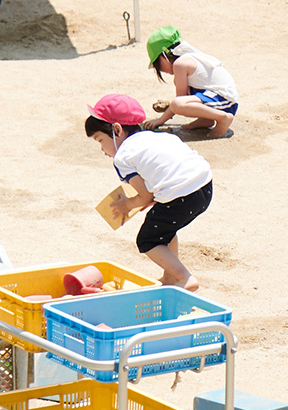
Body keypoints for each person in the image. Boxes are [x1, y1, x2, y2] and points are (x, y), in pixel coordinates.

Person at [84, 94, 214, 291]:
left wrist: (125, 205)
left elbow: (145, 196)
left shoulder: (123, 157)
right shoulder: (159, 137)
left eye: (100, 140)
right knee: (164, 228)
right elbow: (160, 179)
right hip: (204, 185)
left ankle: (184, 278)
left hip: (181, 196)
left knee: (148, 239)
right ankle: (170, 276)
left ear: (117, 130)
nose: (103, 149)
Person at [142, 26, 239, 138]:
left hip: (225, 100)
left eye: (157, 64)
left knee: (178, 104)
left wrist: (161, 119)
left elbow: (179, 102)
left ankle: (223, 118)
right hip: (221, 97)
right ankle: (206, 119)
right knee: (179, 93)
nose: (160, 70)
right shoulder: (188, 58)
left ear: (164, 56)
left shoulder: (180, 64)